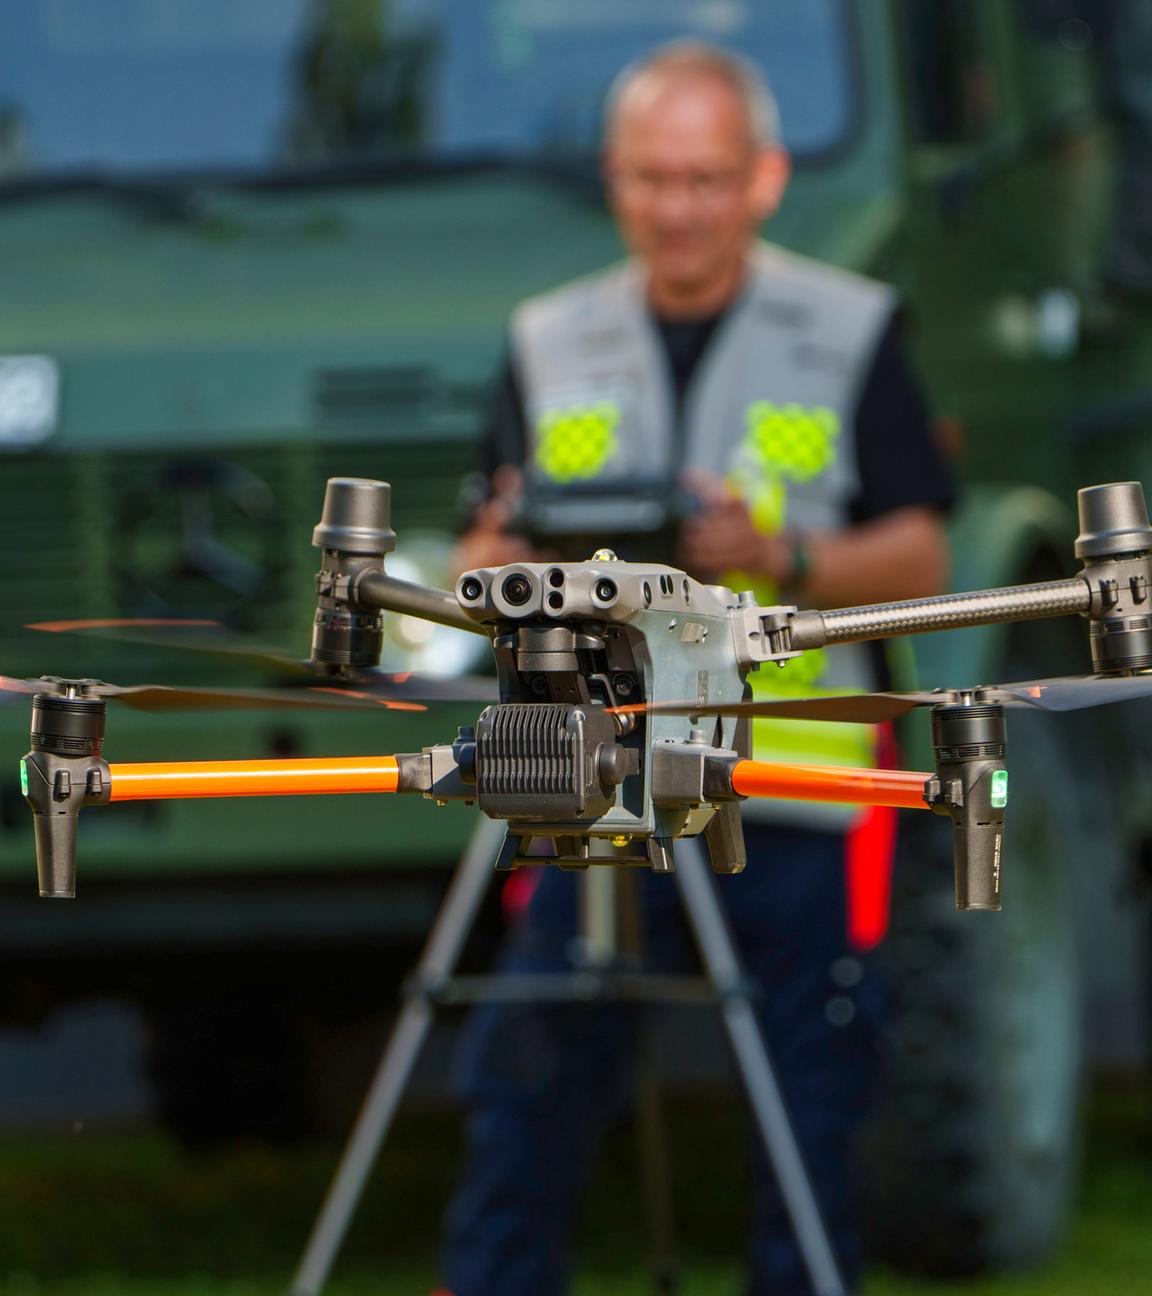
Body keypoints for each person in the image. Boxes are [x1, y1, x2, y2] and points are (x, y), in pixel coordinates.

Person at [438, 41, 955, 1296]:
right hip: (595, 782)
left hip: (794, 787)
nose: (679, 207)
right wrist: (495, 557)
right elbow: (473, 552)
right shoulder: (548, 336)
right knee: (532, 1074)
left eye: (707, 177)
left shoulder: (850, 328)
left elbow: (925, 551)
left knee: (812, 1103)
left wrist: (783, 552)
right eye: (653, 178)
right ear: (614, 181)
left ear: (765, 179)